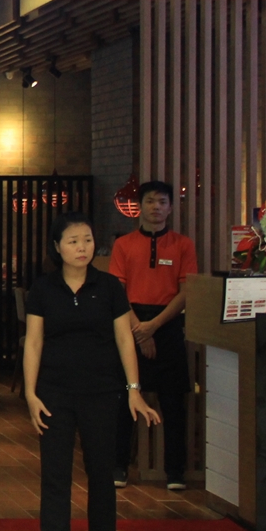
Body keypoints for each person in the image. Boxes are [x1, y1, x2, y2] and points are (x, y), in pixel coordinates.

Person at [22, 212, 160, 531]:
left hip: (101, 391)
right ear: (57, 247)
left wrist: (134, 390)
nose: (82, 247)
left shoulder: (109, 286)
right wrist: (31, 394)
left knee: (101, 470)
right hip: (54, 392)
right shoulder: (43, 288)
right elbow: (33, 342)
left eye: (86, 240)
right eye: (73, 241)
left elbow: (124, 339)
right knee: (55, 474)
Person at [108, 180, 198, 490]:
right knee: (124, 397)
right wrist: (140, 330)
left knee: (173, 401)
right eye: (150, 201)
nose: (155, 207)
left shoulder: (183, 244)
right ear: (140, 207)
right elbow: (117, 291)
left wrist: (154, 326)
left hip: (168, 324)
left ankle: (175, 472)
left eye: (162, 202)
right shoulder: (124, 244)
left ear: (170, 208)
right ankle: (118, 466)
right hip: (130, 322)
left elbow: (186, 291)